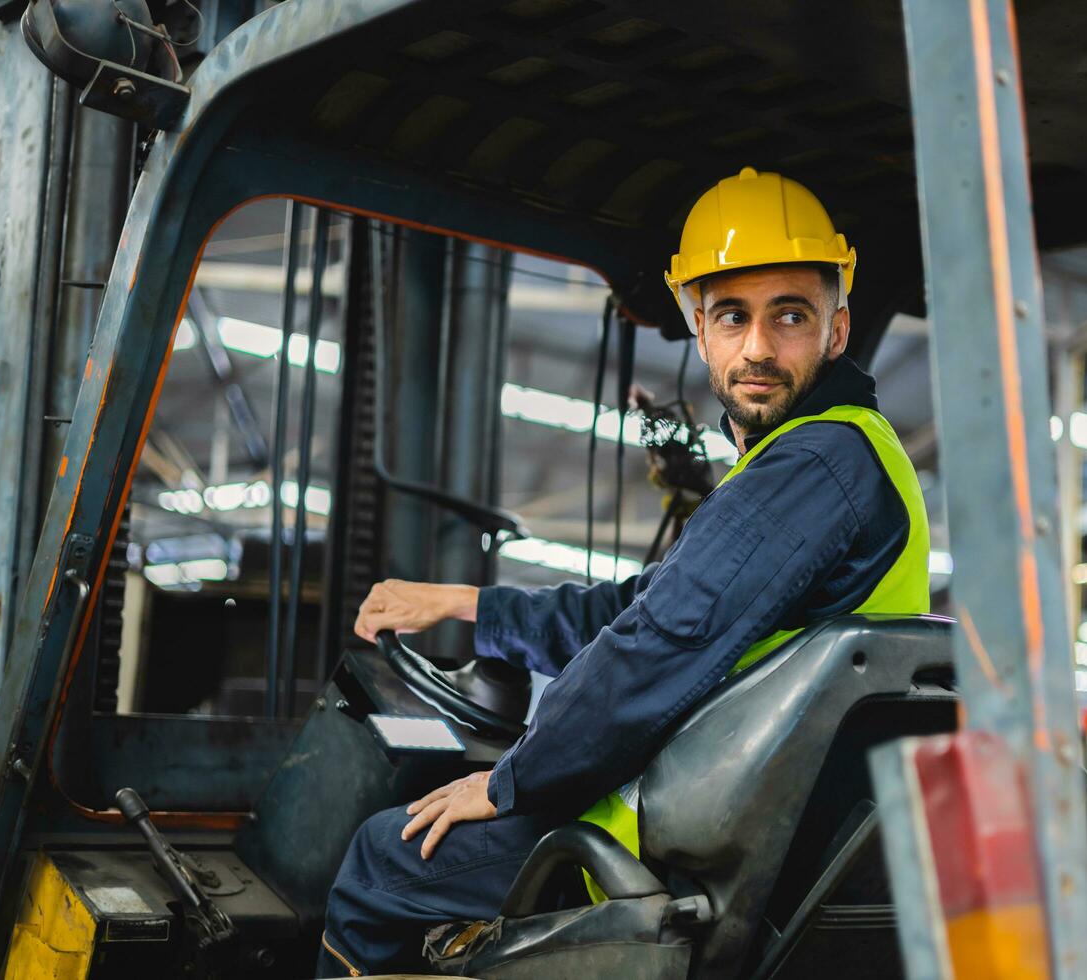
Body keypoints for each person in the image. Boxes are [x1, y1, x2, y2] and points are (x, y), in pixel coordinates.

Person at [317, 167, 930, 976]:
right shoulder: (822, 458)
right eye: (731, 317)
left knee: (379, 859)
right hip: (735, 823)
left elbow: (658, 642)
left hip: (689, 848)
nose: (756, 347)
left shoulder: (818, 464)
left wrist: (512, 781)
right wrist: (469, 604)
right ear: (699, 329)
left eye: (789, 316)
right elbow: (642, 606)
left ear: (837, 329)